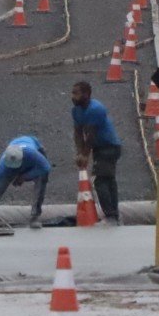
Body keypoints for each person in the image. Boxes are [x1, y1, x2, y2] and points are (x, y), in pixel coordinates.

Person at [69, 81, 122, 224]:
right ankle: (114, 215)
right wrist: (79, 152)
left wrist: (85, 155)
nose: (72, 97)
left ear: (86, 94)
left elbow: (91, 135)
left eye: (76, 93)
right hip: (100, 148)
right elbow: (78, 133)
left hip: (109, 147)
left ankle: (111, 216)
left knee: (100, 180)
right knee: (109, 180)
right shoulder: (76, 110)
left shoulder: (95, 109)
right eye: (72, 93)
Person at [0, 135, 52, 226]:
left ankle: (35, 215)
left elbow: (46, 168)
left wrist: (24, 177)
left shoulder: (34, 155)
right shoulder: (3, 164)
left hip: (32, 148)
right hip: (14, 155)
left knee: (43, 177)